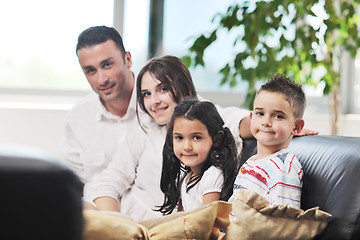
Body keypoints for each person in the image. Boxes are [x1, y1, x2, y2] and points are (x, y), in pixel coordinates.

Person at [83, 55, 250, 222]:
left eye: (163, 89)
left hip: (157, 226)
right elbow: (108, 183)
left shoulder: (209, 118)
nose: (154, 101)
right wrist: (117, 225)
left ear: (187, 89)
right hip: (124, 216)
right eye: (146, 94)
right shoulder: (146, 129)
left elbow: (250, 122)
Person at [59, 26, 151, 184]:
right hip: (95, 208)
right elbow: (72, 185)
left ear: (128, 59)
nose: (102, 80)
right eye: (90, 71)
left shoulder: (164, 105)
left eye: (107, 65)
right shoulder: (78, 117)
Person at [230, 73, 306, 209]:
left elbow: (283, 220)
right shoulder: (252, 162)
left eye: (278, 116)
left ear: (297, 126)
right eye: (260, 113)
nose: (266, 122)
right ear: (252, 117)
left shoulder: (283, 169)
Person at [157, 99, 239, 215]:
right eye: (179, 138)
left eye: (196, 137)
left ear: (217, 139)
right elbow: (180, 218)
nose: (187, 147)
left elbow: (207, 222)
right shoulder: (187, 178)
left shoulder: (212, 176)